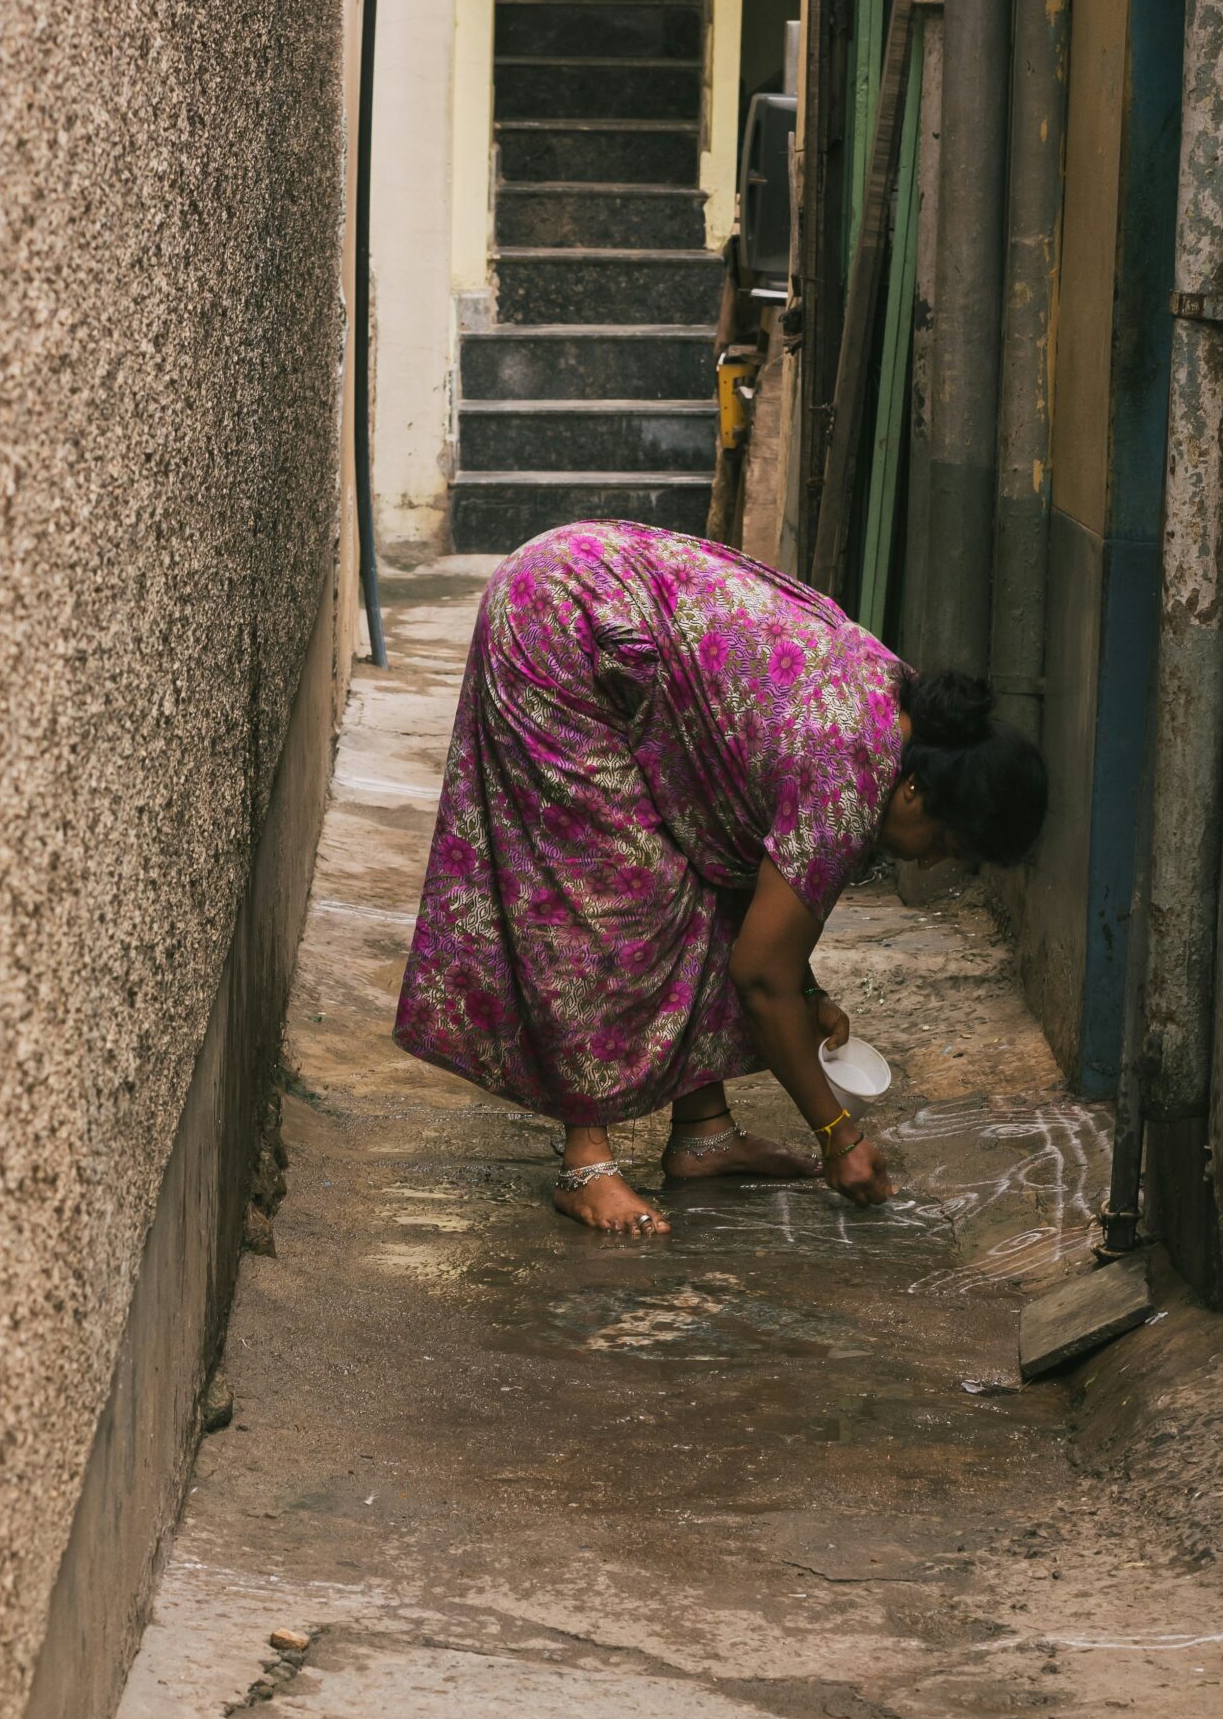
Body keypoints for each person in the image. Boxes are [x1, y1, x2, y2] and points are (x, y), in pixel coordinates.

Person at [393, 520, 1047, 1234]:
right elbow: (760, 974)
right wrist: (837, 1135)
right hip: (557, 619)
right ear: (917, 793)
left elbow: (748, 883)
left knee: (701, 875)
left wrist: (808, 990)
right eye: (943, 844)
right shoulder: (850, 776)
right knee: (603, 900)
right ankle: (586, 1162)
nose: (928, 861)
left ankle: (703, 1134)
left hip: (602, 604)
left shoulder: (907, 723)